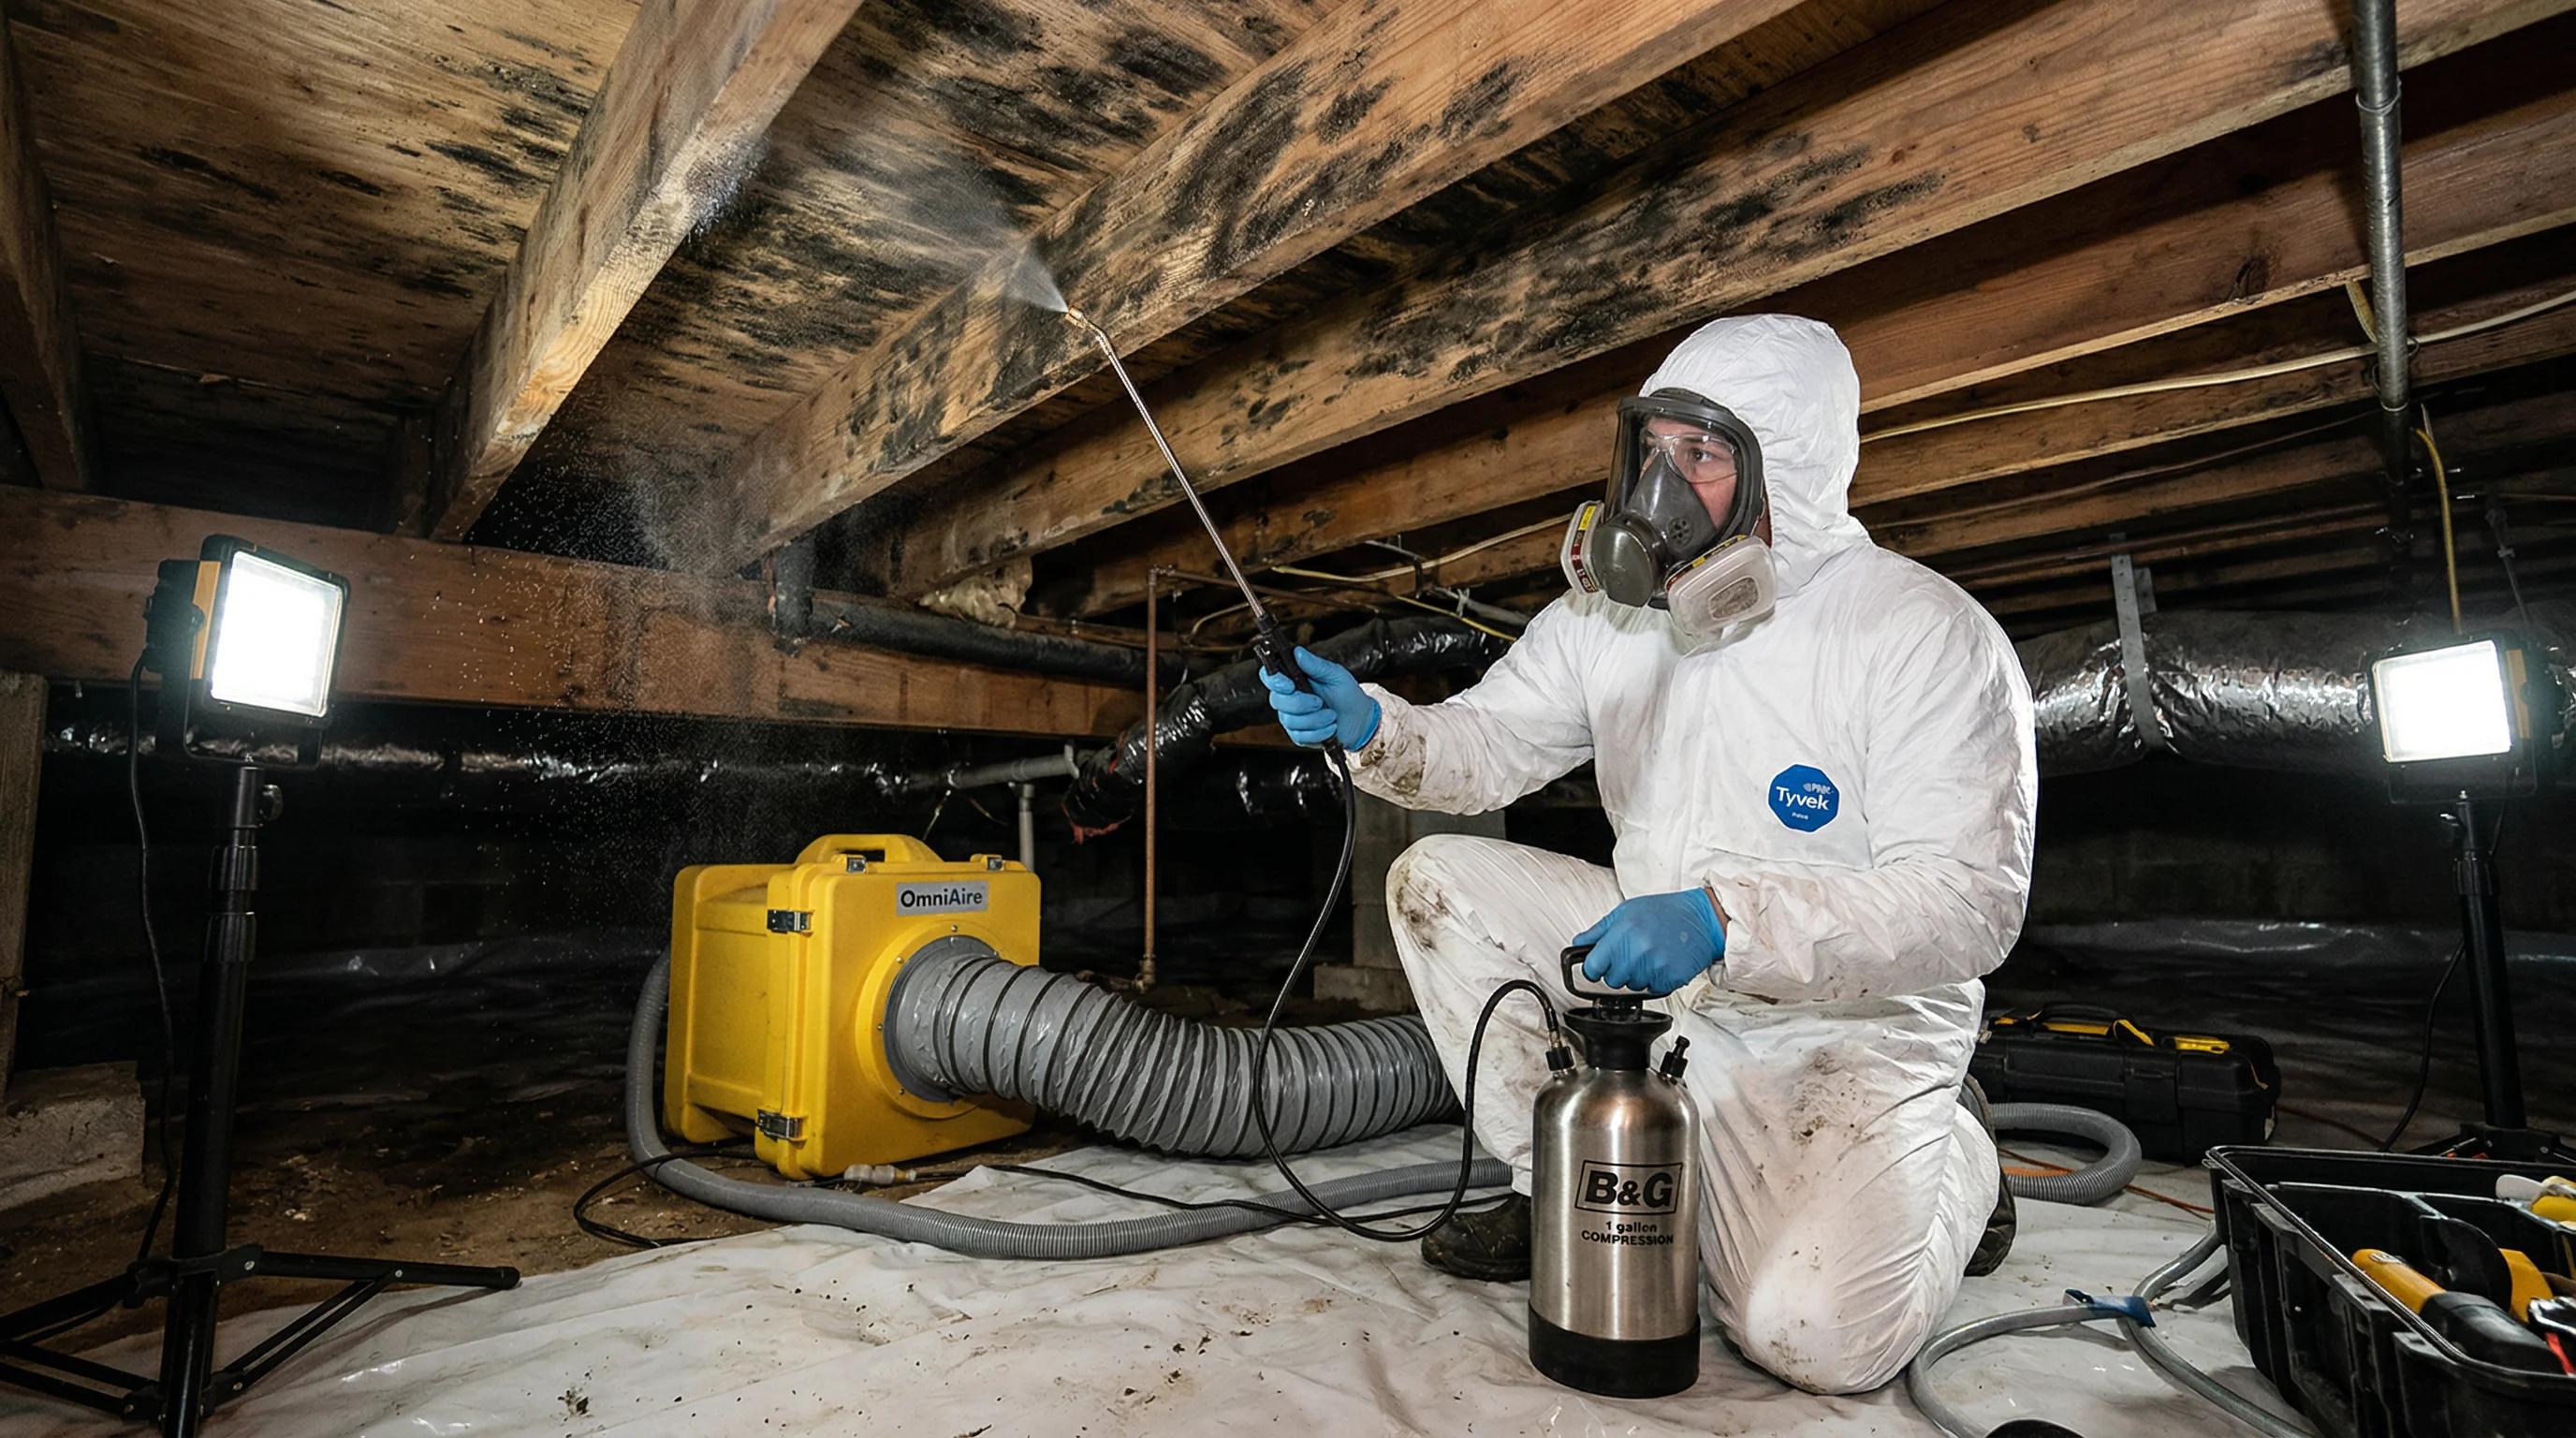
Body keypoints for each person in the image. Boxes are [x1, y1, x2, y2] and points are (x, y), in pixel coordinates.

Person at [1260, 314, 2036, 1396]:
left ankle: (1955, 1154)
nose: (1658, 491)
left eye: (1703, 455)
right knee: (1441, 882)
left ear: (1788, 474)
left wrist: (1726, 922)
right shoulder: (1607, 624)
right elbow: (1485, 747)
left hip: (1845, 1026)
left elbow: (1968, 905)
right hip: (1664, 980)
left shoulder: (1918, 634)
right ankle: (1552, 1187)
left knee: (1811, 1337)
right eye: (1651, 451)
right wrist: (1374, 728)